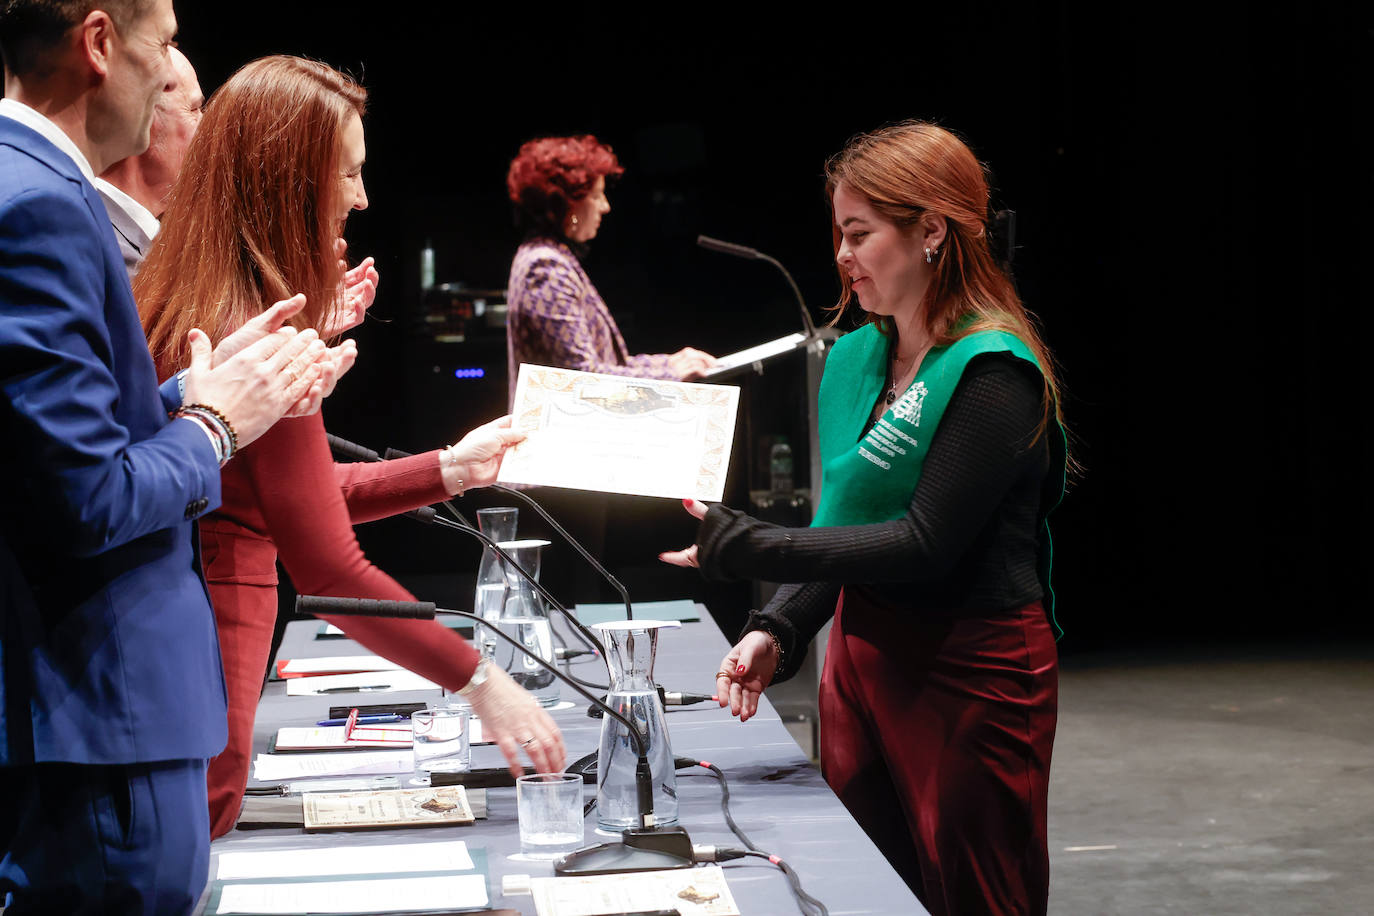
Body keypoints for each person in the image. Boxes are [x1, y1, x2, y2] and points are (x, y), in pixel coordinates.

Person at [137, 55, 567, 840]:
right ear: (289, 179)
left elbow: (277, 491)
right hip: (205, 671)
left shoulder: (191, 282)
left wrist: (445, 470)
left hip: (176, 663)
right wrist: (480, 680)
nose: (363, 197)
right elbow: (330, 568)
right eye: (347, 173)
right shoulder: (257, 320)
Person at [661, 121, 1068, 916]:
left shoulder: (995, 370)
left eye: (860, 234)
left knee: (977, 897)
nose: (842, 255)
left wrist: (751, 544)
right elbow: (839, 526)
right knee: (866, 891)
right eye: (837, 234)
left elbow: (925, 544)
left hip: (967, 674)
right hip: (859, 662)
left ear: (931, 233)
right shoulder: (852, 359)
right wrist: (778, 628)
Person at [0, 1, 338, 911]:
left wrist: (199, 393)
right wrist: (217, 427)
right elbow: (87, 499)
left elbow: (59, 453)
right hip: (103, 713)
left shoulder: (31, 185)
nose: (176, 68)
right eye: (168, 40)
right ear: (101, 43)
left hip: (95, 717)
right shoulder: (36, 201)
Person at [504, 134, 716, 395]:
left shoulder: (549, 256)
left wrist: (669, 362)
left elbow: (604, 365)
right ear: (567, 204)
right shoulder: (545, 268)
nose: (605, 207)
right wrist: (669, 374)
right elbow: (581, 378)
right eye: (597, 196)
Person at [94, 44, 200, 277]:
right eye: (194, 109)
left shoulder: (137, 242)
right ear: (145, 121)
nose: (206, 127)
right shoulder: (105, 254)